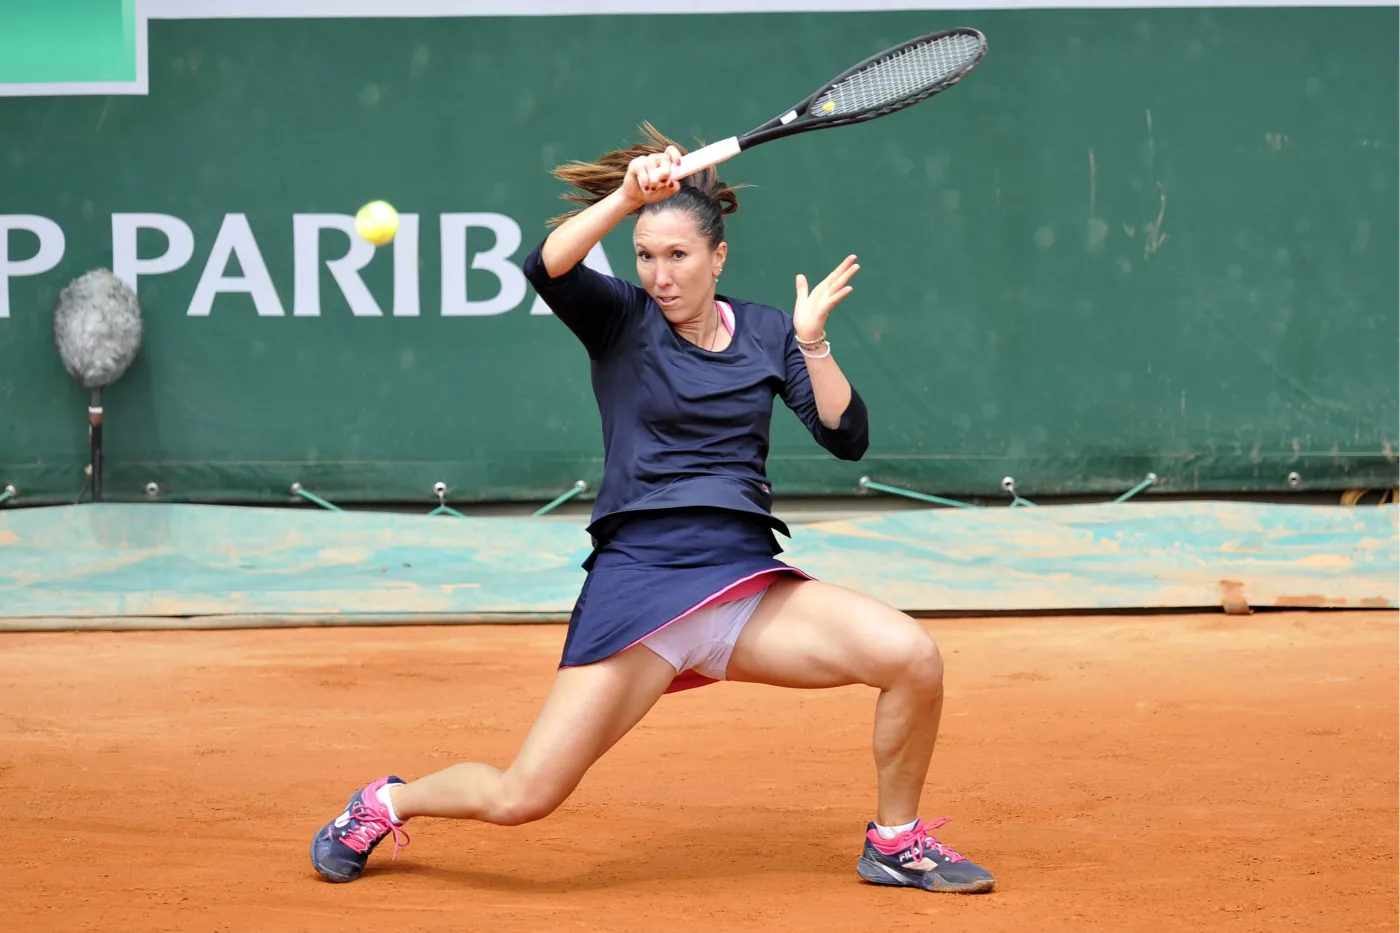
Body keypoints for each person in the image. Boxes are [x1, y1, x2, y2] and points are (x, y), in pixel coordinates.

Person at [309, 124, 995, 895]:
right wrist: (627, 197)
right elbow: (549, 264)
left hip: (741, 584)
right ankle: (385, 800)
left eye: (678, 256)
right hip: (640, 588)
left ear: (718, 257)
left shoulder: (770, 332)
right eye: (646, 257)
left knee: (912, 659)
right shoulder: (622, 321)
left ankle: (895, 841)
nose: (660, 275)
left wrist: (813, 344)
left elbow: (848, 437)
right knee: (522, 795)